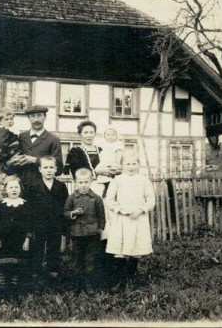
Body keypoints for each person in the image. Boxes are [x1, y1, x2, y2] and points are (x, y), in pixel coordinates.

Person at [105, 151, 155, 292]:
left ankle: (130, 280)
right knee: (120, 250)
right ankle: (119, 281)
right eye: (128, 164)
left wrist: (141, 210)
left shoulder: (144, 180)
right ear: (122, 165)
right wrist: (120, 210)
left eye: (134, 164)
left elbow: (151, 200)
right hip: (121, 218)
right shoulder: (117, 180)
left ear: (138, 165)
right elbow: (109, 200)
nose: (131, 167)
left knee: (135, 249)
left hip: (138, 218)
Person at [25, 155, 69, 282]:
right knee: (37, 248)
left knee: (54, 248)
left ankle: (53, 273)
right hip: (38, 224)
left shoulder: (61, 187)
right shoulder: (33, 186)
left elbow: (64, 208)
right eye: (45, 167)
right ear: (40, 169)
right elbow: (29, 207)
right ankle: (35, 273)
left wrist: (63, 230)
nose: (48, 170)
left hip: (55, 224)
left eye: (51, 167)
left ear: (56, 169)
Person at [63, 168, 106, 293]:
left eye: (86, 182)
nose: (83, 185)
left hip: (92, 235)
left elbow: (101, 216)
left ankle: (89, 284)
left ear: (91, 181)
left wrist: (100, 229)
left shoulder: (96, 198)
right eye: (80, 182)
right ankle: (78, 285)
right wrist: (73, 213)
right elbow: (65, 213)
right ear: (75, 182)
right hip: (76, 234)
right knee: (77, 259)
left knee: (90, 260)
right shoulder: (72, 198)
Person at [0, 176, 34, 291]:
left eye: (16, 187)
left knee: (17, 262)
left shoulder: (26, 205)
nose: (14, 190)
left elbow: (30, 223)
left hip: (19, 240)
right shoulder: (0, 205)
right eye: (11, 187)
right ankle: (3, 285)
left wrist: (27, 239)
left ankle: (15, 285)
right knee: (3, 262)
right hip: (4, 240)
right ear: (5, 189)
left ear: (21, 189)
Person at [14, 105, 63, 190]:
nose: (36, 120)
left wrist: (34, 160)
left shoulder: (53, 139)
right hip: (22, 188)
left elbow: (59, 167)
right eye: (33, 116)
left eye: (39, 115)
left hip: (43, 189)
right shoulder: (21, 137)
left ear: (45, 117)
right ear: (28, 118)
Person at [64, 120, 115, 197]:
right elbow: (77, 173)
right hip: (84, 188)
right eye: (86, 132)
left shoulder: (101, 150)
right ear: (80, 134)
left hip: (104, 187)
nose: (89, 135)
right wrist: (97, 172)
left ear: (95, 134)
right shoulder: (75, 152)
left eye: (91, 132)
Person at [94, 125, 125, 197]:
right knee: (101, 175)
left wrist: (116, 163)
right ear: (104, 136)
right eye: (108, 135)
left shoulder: (117, 145)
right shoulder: (102, 145)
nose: (110, 137)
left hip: (112, 162)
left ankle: (109, 189)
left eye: (113, 135)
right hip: (103, 163)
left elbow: (118, 155)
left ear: (116, 136)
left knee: (111, 177)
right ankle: (105, 188)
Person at [0, 107, 22, 175]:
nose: (10, 121)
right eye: (6, 119)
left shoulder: (9, 130)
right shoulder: (3, 131)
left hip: (8, 154)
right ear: (0, 121)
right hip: (5, 154)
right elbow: (1, 144)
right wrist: (11, 151)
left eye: (11, 119)